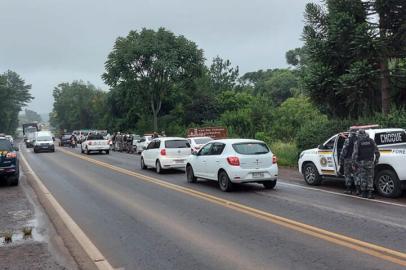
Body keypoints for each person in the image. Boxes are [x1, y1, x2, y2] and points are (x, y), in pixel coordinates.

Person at [352, 129, 380, 199]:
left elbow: (355, 154)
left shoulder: (357, 142)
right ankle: (370, 194)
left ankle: (364, 193)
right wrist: (376, 161)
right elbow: (377, 152)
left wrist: (354, 163)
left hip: (361, 162)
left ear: (359, 135)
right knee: (370, 177)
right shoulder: (371, 141)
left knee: (363, 177)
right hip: (370, 162)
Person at [339, 130, 357, 195]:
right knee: (356, 175)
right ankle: (358, 190)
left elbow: (343, 151)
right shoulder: (357, 140)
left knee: (347, 175)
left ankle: (349, 190)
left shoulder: (347, 140)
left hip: (348, 160)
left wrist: (340, 161)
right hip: (356, 160)